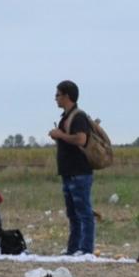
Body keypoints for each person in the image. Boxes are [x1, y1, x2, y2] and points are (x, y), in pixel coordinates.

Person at [48, 79, 95, 254]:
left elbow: (81, 139)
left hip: (79, 173)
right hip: (69, 173)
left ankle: (86, 249)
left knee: (84, 213)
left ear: (67, 96)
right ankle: (73, 249)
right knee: (73, 215)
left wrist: (60, 135)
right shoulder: (66, 117)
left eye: (58, 95)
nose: (55, 98)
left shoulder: (78, 116)